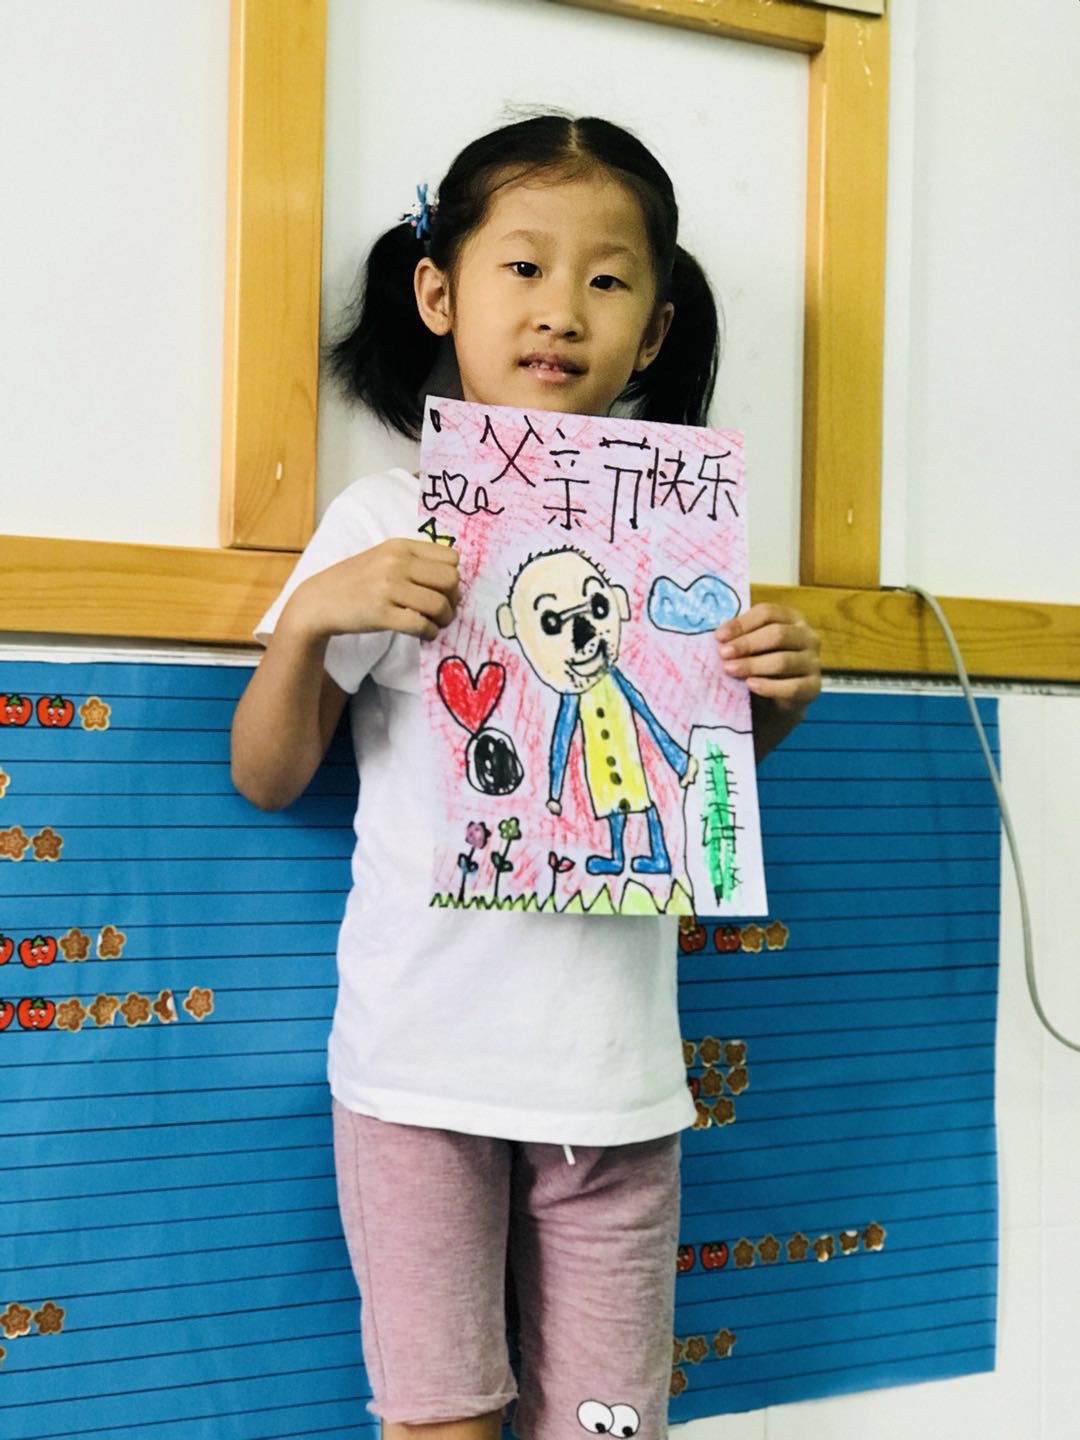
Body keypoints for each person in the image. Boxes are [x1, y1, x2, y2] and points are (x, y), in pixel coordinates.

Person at [231, 114, 822, 1440]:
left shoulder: (681, 545)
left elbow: (683, 794)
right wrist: (314, 618)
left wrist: (770, 706)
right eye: (524, 267)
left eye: (607, 281)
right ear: (439, 292)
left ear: (654, 334)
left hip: (615, 1082)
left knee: (611, 1425)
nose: (562, 309)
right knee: (440, 1421)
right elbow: (268, 776)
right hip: (418, 1073)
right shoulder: (386, 521)